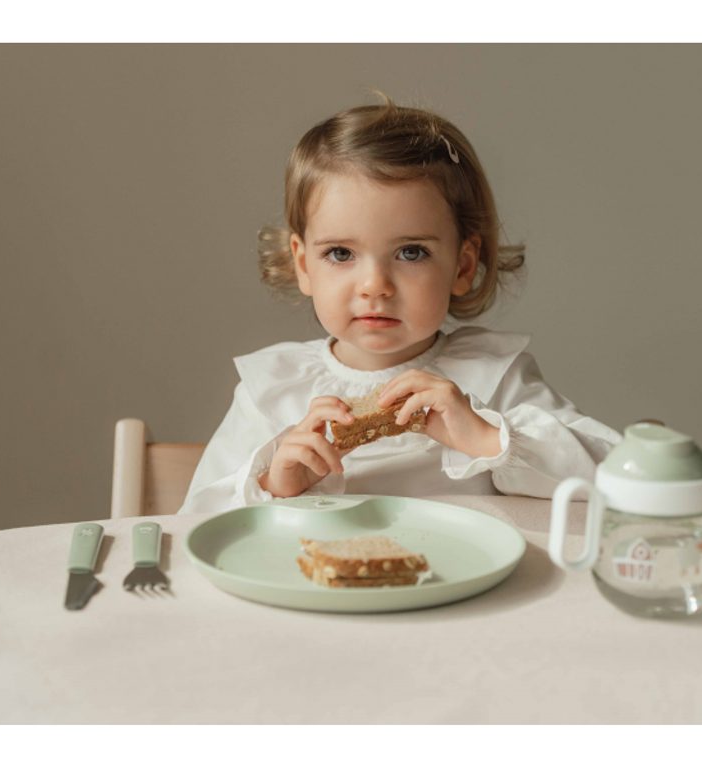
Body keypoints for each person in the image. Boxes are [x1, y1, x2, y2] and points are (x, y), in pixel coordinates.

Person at [178, 93, 620, 516]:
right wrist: (274, 484)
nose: (375, 285)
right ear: (304, 264)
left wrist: (489, 439)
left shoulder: (494, 376)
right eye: (340, 253)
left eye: (411, 252)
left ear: (463, 266)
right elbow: (194, 522)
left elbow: (617, 476)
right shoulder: (273, 389)